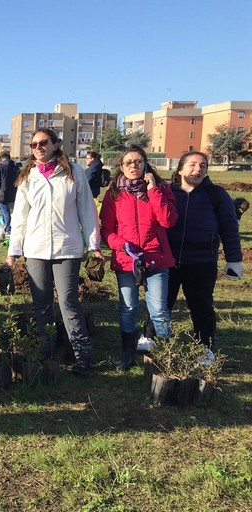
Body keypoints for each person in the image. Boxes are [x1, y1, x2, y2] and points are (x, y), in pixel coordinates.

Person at [4, 128, 102, 375]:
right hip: (35, 249)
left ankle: (82, 356)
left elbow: (87, 210)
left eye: (43, 143)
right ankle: (45, 353)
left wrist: (93, 244)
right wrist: (13, 250)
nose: (38, 148)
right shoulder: (28, 176)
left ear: (56, 144)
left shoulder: (73, 172)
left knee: (69, 302)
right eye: (34, 144)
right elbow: (20, 217)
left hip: (67, 248)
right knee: (42, 304)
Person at [153, 151, 243, 358]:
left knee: (201, 306)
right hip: (168, 260)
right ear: (180, 169)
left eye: (203, 165)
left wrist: (234, 260)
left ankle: (205, 348)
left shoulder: (216, 195)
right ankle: (153, 340)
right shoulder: (167, 193)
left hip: (202, 262)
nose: (198, 169)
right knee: (161, 303)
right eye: (192, 164)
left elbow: (229, 228)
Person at [100, 146, 177, 369]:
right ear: (121, 167)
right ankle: (127, 353)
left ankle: (165, 354)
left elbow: (168, 221)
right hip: (127, 261)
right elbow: (106, 229)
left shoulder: (161, 189)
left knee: (159, 309)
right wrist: (121, 244)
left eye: (138, 161)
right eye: (128, 162)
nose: (134, 166)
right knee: (128, 307)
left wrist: (153, 191)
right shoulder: (113, 194)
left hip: (156, 258)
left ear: (146, 164)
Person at [0, 150, 18, 237]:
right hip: (13, 192)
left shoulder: (1, 167)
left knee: (4, 210)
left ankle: (8, 229)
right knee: (2, 208)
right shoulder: (15, 167)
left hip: (1, 193)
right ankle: (5, 227)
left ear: (1, 157)